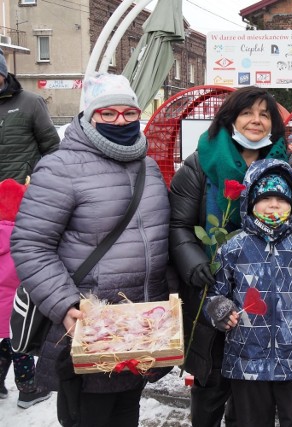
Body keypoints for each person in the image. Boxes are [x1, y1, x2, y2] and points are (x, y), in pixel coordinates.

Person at [9, 72, 171, 427]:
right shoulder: (60, 167)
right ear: (89, 116)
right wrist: (64, 304)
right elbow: (31, 244)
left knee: (128, 412)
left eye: (129, 113)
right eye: (108, 113)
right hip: (87, 327)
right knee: (89, 416)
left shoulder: (148, 166)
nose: (121, 121)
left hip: (138, 329)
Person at [169, 86, 289, 427]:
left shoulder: (281, 166)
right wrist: (195, 264)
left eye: (264, 114)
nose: (256, 120)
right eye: (247, 113)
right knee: (211, 380)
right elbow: (178, 224)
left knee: (250, 388)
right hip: (211, 289)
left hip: (262, 293)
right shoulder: (201, 163)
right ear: (230, 118)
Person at [203, 158, 292, 427]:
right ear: (250, 201)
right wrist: (218, 310)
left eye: (282, 199)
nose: (274, 205)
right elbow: (216, 295)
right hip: (247, 362)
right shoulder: (233, 248)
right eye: (265, 198)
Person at [0, 178, 52, 408]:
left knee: (4, 344)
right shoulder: (22, 237)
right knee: (20, 347)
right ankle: (28, 390)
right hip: (15, 308)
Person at [0, 48, 60, 183]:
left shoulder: (31, 102)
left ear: (3, 73)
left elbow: (52, 149)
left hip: (23, 192)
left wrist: (43, 182)